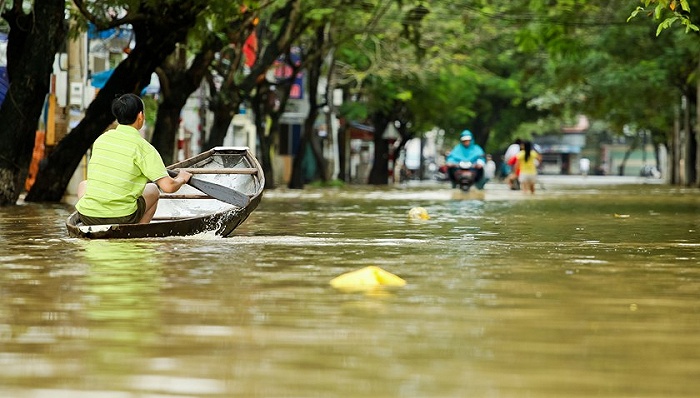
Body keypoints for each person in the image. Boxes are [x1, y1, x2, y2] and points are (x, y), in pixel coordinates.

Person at [75, 93, 192, 225]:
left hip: (88, 216)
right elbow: (168, 187)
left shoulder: (101, 140)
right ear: (140, 115)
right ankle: (138, 232)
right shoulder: (144, 148)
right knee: (153, 189)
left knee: (83, 185)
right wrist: (182, 178)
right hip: (123, 216)